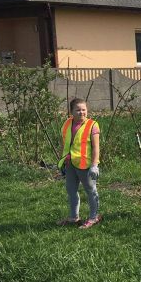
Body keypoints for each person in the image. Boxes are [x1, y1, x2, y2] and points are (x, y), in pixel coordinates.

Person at [57, 98, 101, 229]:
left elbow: (96, 148)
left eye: (84, 110)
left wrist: (94, 165)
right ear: (71, 111)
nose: (81, 112)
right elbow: (64, 143)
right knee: (71, 190)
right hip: (70, 164)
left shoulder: (92, 125)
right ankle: (74, 217)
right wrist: (63, 161)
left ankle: (94, 217)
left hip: (85, 165)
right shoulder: (67, 124)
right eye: (78, 110)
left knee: (91, 191)